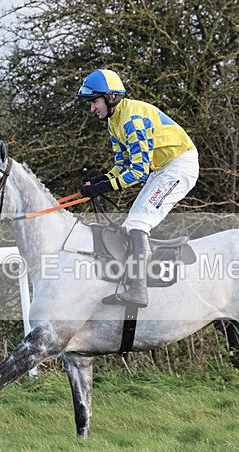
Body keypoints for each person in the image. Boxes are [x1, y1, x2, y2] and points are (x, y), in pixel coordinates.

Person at [76, 68, 199, 307]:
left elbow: (138, 172)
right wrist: (99, 180)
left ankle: (138, 291)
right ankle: (131, 283)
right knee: (130, 225)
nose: (92, 109)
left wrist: (104, 187)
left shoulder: (132, 120)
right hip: (162, 168)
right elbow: (122, 165)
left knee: (138, 223)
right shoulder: (114, 121)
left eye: (94, 102)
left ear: (111, 97)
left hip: (179, 166)